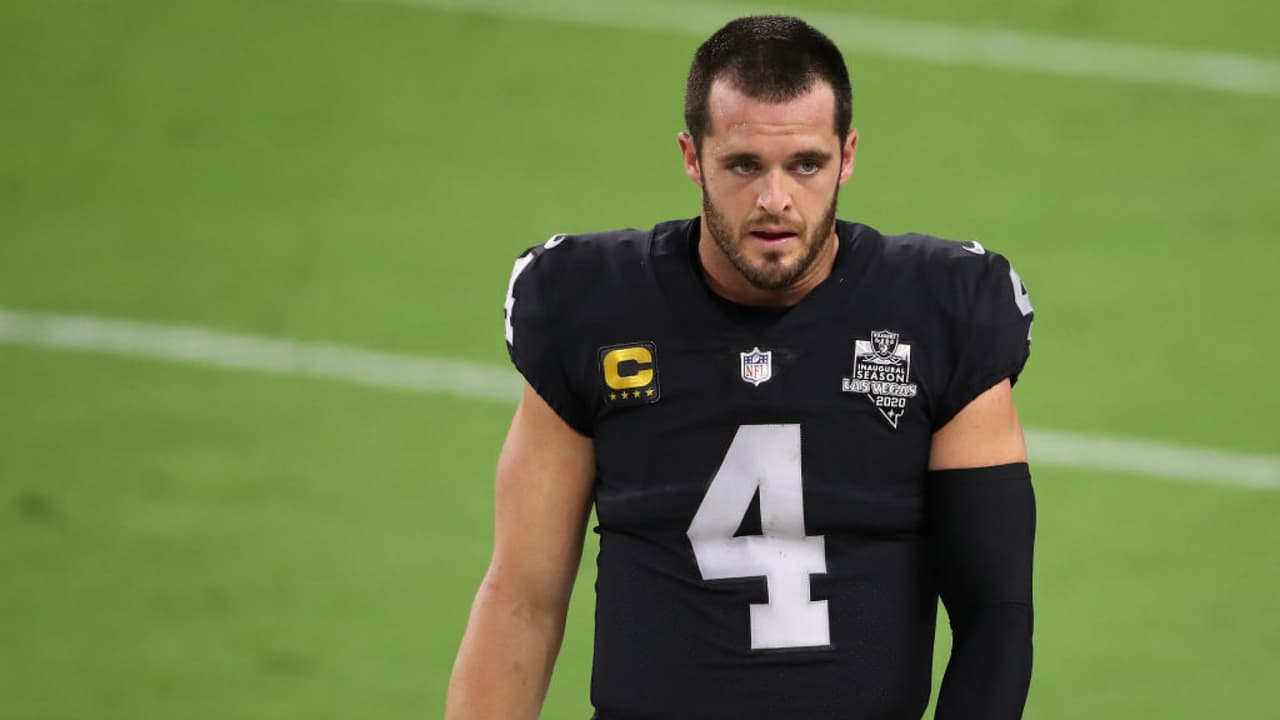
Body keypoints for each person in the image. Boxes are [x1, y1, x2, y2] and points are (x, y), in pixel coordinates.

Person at [447, 15, 1035, 720]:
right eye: (744, 165)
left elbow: (995, 613)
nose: (774, 200)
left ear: (847, 156)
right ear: (693, 157)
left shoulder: (945, 312)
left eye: (805, 164)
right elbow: (522, 600)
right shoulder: (593, 308)